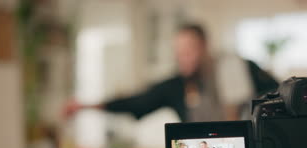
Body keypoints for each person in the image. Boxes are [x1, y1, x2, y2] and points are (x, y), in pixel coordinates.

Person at [64, 23, 278, 122]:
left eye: (189, 50)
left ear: (205, 47)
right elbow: (137, 101)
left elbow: (278, 94)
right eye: (178, 52)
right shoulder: (175, 86)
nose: (183, 57)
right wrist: (85, 106)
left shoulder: (241, 68)